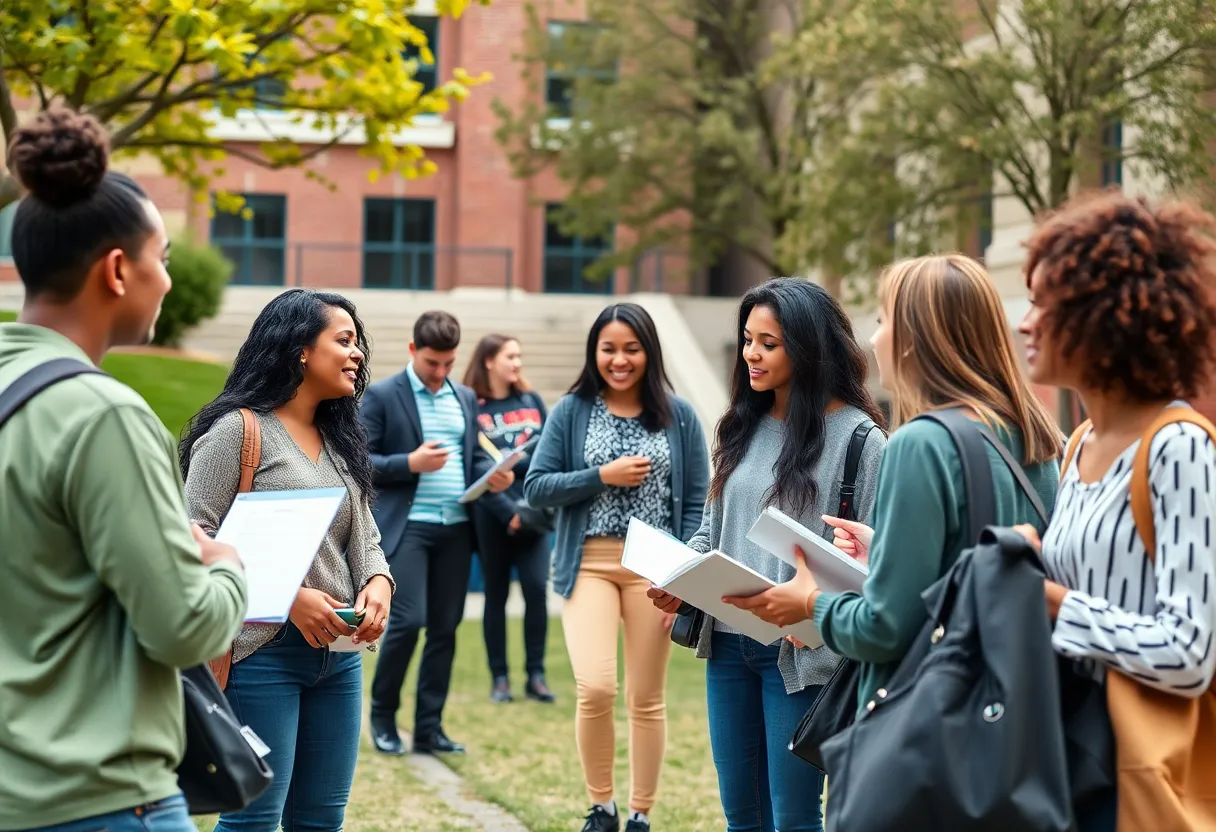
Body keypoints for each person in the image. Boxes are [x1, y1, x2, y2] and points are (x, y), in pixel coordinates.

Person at [0, 107, 247, 832]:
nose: (167, 280)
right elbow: (183, 628)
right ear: (117, 270)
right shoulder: (102, 414)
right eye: (162, 258)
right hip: (101, 800)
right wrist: (227, 564)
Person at [728, 254, 1061, 717]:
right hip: (1018, 708)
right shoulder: (1040, 440)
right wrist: (885, 548)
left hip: (931, 718)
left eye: (883, 320)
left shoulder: (919, 444)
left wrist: (810, 602)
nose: (872, 338)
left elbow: (885, 626)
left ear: (914, 339)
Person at [648, 279, 887, 832]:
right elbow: (712, 532)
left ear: (808, 348)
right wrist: (679, 578)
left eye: (769, 343)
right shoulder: (741, 426)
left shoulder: (862, 441)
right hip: (729, 648)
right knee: (742, 818)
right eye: (748, 339)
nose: (751, 354)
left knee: (794, 818)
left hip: (803, 660)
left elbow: (876, 563)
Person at [1016, 193, 1216, 830]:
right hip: (1073, 756)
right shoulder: (1078, 445)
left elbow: (1189, 652)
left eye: (1046, 305)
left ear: (1104, 320)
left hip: (1137, 777)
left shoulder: (1179, 448)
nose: (1025, 323)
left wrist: (1053, 601)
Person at [180, 289, 394, 832]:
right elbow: (189, 538)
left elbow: (365, 535)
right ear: (301, 349)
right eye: (343, 341)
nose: (357, 354)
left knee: (322, 819)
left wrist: (377, 582)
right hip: (260, 655)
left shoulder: (340, 438)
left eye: (357, 343)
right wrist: (287, 598)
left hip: (339, 658)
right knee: (254, 821)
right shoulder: (238, 432)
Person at [525, 303, 710, 832]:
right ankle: (601, 806)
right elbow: (536, 488)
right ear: (595, 353)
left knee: (646, 697)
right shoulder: (572, 411)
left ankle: (639, 815)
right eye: (609, 349)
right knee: (597, 687)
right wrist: (600, 475)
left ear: (649, 351)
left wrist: (683, 575)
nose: (620, 360)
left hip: (657, 573)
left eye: (631, 348)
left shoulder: (681, 417)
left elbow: (698, 502)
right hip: (589, 563)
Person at [363, 310, 514, 756]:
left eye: (448, 363)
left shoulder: (465, 397)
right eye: (432, 363)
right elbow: (360, 463)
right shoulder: (382, 396)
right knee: (408, 622)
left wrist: (493, 475)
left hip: (457, 529)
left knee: (446, 630)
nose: (441, 372)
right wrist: (408, 463)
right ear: (413, 351)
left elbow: (472, 458)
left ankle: (429, 729)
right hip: (408, 527)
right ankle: (383, 717)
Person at [462, 333, 556, 705]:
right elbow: (474, 464)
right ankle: (499, 678)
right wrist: (507, 512)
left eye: (519, 356)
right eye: (510, 356)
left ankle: (536, 675)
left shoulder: (531, 401)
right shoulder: (475, 407)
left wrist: (525, 507)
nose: (517, 363)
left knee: (536, 590)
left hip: (534, 514)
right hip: (492, 516)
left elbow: (551, 454)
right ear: (489, 361)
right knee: (495, 595)